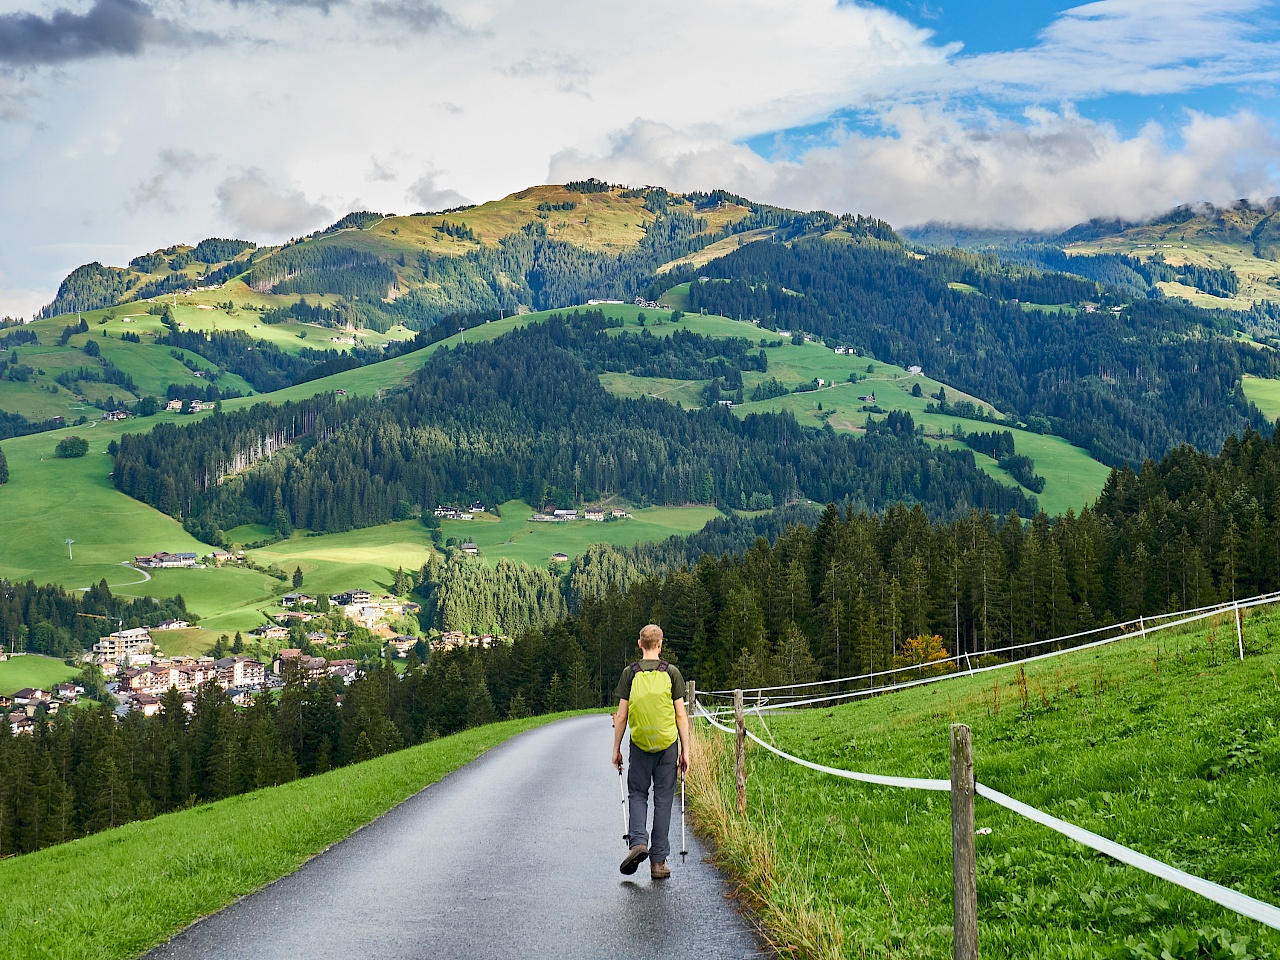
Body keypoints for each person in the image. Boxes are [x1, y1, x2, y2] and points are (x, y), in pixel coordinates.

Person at [611, 623, 691, 879]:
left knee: (637, 793)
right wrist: (685, 750)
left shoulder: (630, 673)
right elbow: (680, 714)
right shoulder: (672, 673)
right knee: (664, 799)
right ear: (660, 644)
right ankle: (658, 863)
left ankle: (638, 844)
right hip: (668, 745)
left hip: (640, 744)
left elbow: (622, 715)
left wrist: (616, 748)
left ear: (639, 644)